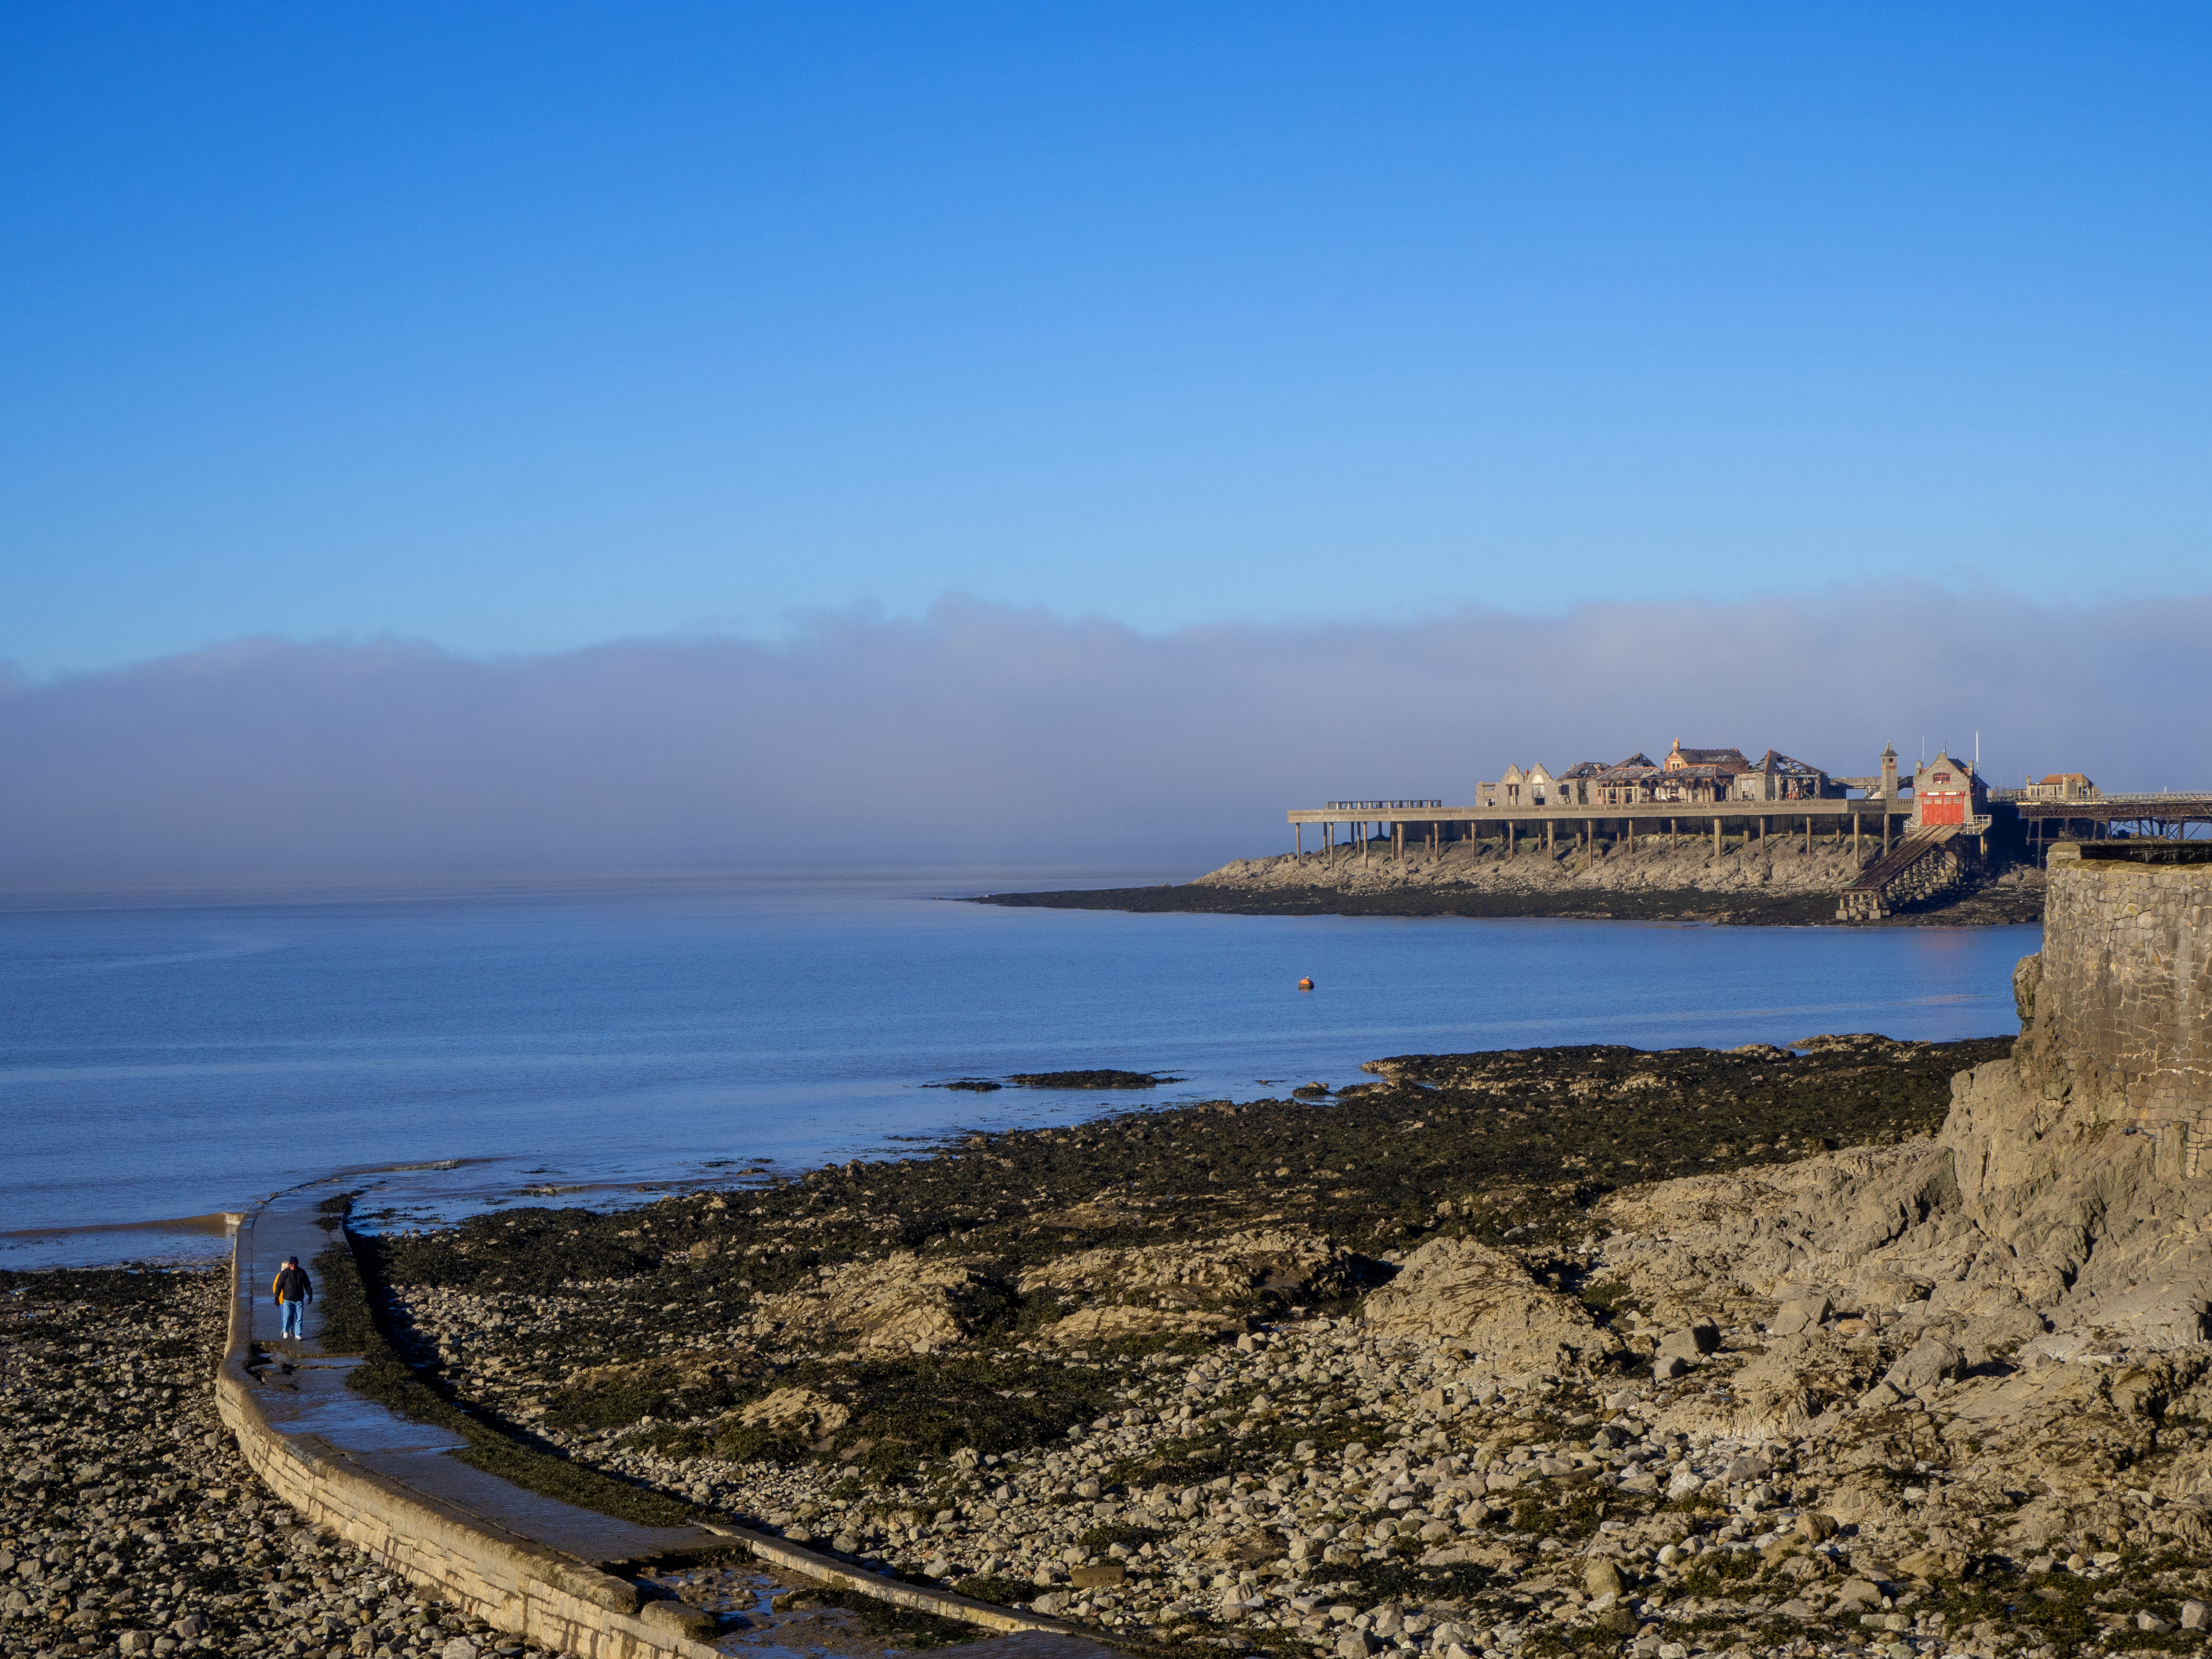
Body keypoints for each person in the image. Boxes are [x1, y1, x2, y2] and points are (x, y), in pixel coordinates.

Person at [272, 1255, 313, 1341]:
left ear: (297, 1265)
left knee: (299, 1318)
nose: (293, 1267)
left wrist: (310, 1295)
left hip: (299, 1299)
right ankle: (286, 1331)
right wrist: (277, 1298)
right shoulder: (284, 1273)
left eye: (295, 1266)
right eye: (291, 1266)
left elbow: (307, 1284)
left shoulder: (302, 1273)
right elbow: (278, 1286)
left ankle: (298, 1334)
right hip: (287, 1299)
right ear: (290, 1265)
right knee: (287, 1316)